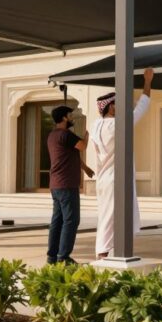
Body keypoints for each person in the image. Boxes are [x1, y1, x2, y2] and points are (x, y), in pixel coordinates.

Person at [89, 68, 154, 259]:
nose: (123, 107)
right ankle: (102, 253)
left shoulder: (95, 126)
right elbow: (142, 107)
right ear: (110, 107)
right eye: (119, 104)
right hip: (115, 178)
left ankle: (111, 252)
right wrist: (148, 81)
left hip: (104, 178)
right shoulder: (117, 125)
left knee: (108, 215)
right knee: (110, 217)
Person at [46, 105, 94, 265]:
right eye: (71, 115)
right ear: (65, 117)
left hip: (56, 185)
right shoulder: (66, 134)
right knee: (71, 220)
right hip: (66, 184)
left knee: (57, 221)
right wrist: (87, 136)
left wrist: (85, 168)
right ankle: (64, 257)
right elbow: (82, 146)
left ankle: (52, 257)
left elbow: (70, 155)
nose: (72, 117)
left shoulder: (53, 135)